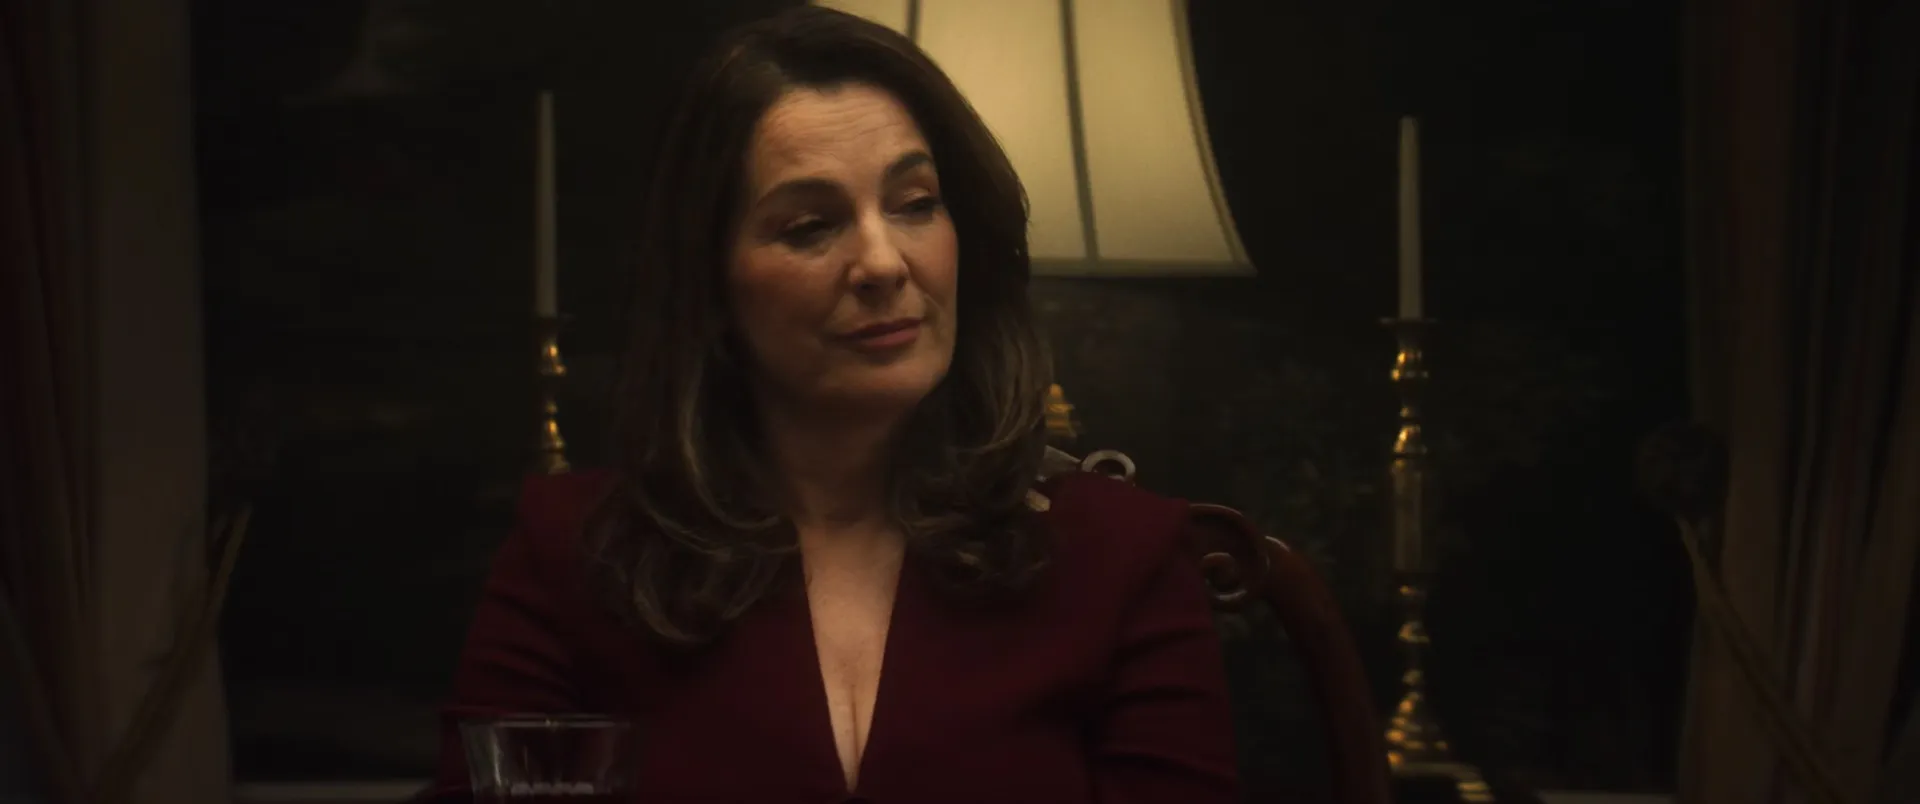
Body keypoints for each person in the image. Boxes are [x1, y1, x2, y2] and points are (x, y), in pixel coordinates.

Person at [426, 7, 1238, 802]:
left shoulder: (1120, 555)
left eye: (915, 204)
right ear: (711, 280)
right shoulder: (577, 555)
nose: (882, 262)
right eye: (811, 225)